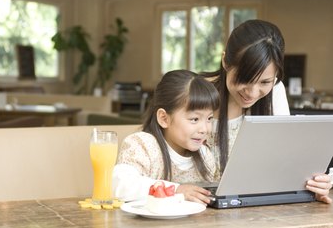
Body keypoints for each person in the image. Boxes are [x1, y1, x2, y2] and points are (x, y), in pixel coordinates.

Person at [201, 19, 332, 204]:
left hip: (252, 207)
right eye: (244, 79)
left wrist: (314, 184)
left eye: (264, 82)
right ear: (225, 61)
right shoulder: (197, 93)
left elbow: (286, 161)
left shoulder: (275, 91)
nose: (253, 93)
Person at [113, 69, 220, 204]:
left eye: (209, 118)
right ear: (164, 118)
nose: (205, 129)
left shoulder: (205, 157)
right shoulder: (143, 145)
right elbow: (119, 185)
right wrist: (176, 190)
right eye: (194, 119)